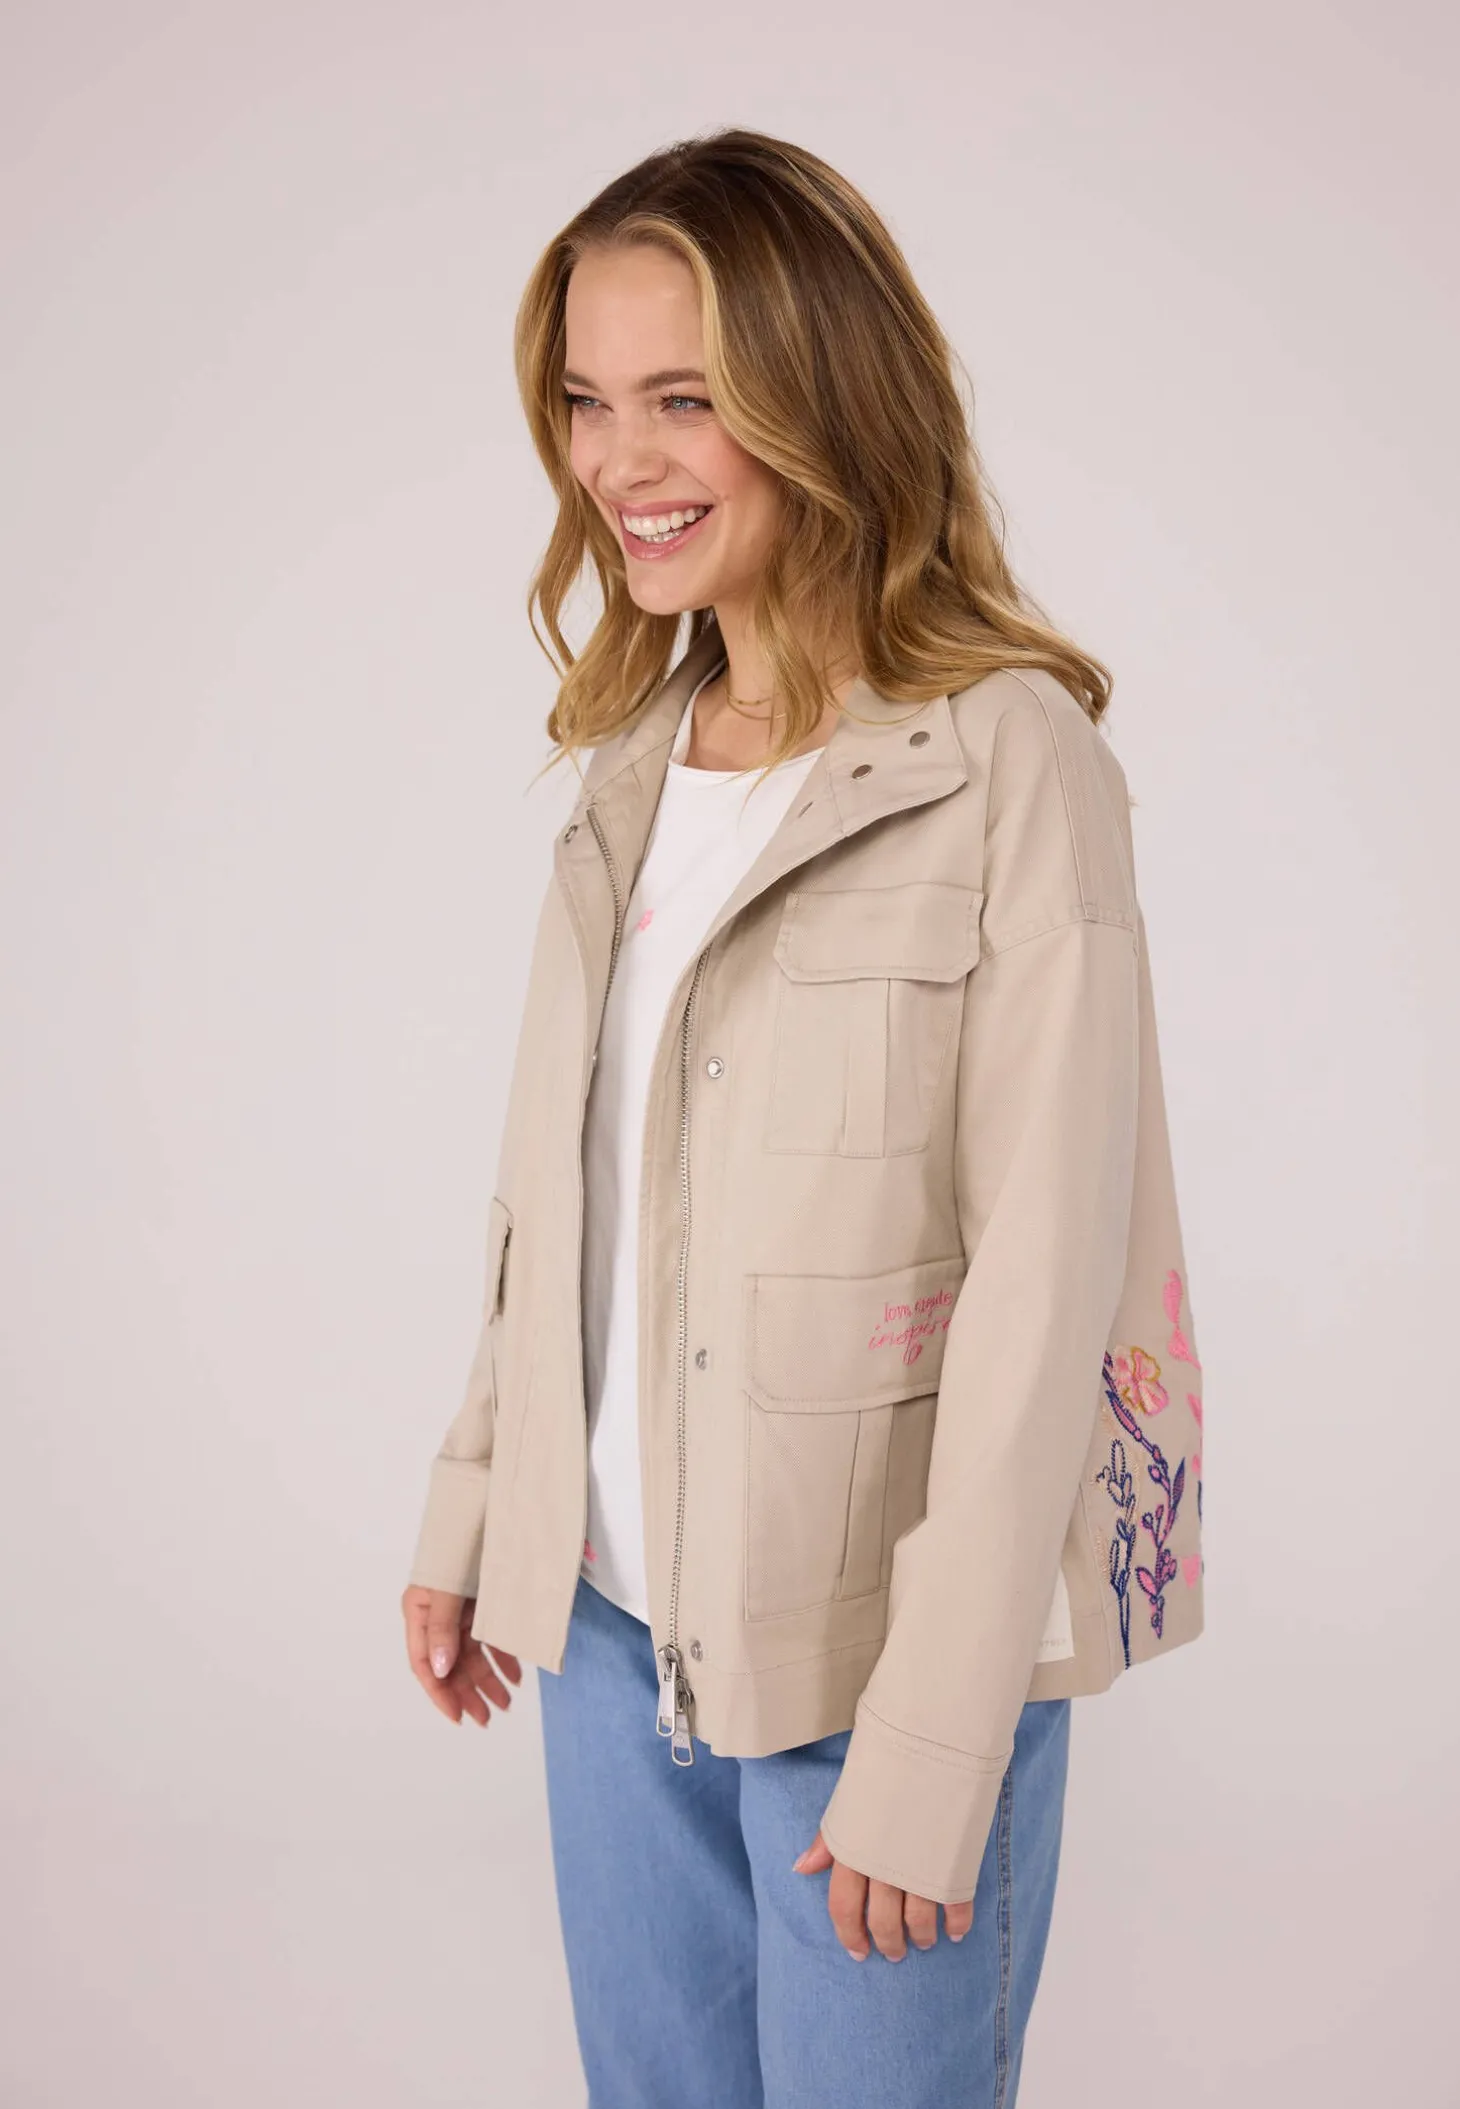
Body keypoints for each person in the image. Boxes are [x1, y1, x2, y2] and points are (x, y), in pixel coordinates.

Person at [400, 125, 1205, 2109]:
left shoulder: (1010, 763)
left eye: (685, 398)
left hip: (875, 1656)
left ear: (823, 401)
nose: (620, 461)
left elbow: (1049, 1281)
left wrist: (935, 1738)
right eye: (586, 401)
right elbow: (562, 1193)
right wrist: (480, 1503)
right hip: (607, 1636)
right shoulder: (627, 765)